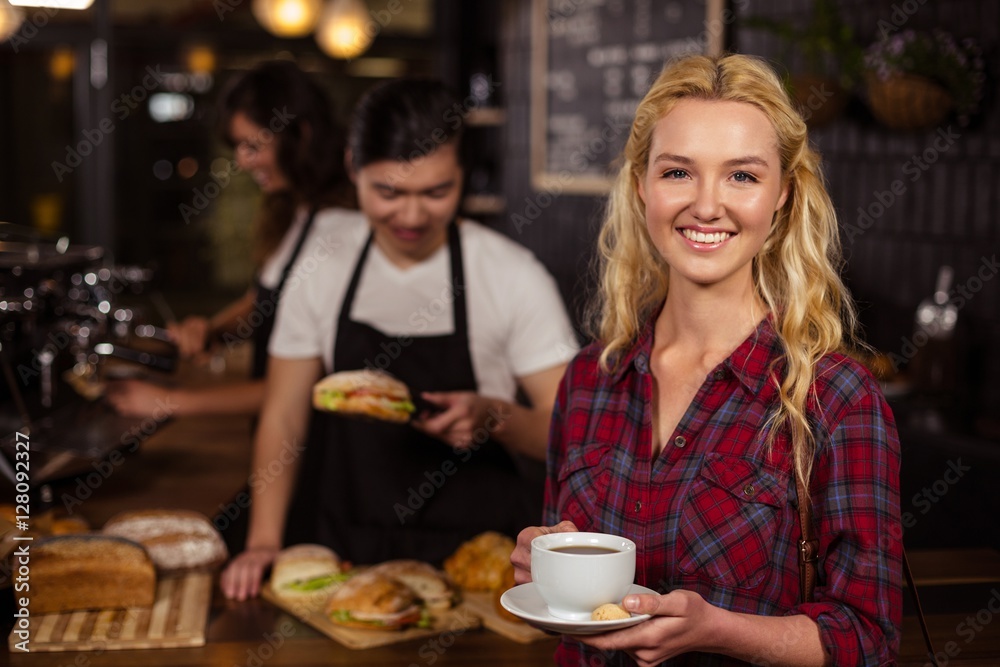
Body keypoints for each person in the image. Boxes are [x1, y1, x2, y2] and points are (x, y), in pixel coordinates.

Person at [511, 54, 902, 666]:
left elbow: (868, 637)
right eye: (678, 173)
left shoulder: (837, 398)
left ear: (782, 195)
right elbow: (574, 616)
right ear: (642, 185)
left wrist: (717, 629)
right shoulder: (590, 378)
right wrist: (546, 568)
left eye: (742, 176)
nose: (706, 205)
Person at [221, 78, 580, 600]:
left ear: (462, 175)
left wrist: (496, 417)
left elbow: (572, 434)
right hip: (345, 550)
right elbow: (283, 413)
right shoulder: (321, 267)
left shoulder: (510, 274)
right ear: (352, 168)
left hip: (475, 566)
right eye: (388, 192)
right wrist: (263, 541)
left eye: (437, 192)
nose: (411, 216)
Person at [106, 60, 353, 418]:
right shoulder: (297, 208)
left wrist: (169, 403)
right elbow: (271, 299)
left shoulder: (341, 228)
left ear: (301, 135)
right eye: (238, 147)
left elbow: (310, 384)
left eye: (253, 145)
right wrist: (214, 329)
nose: (243, 161)